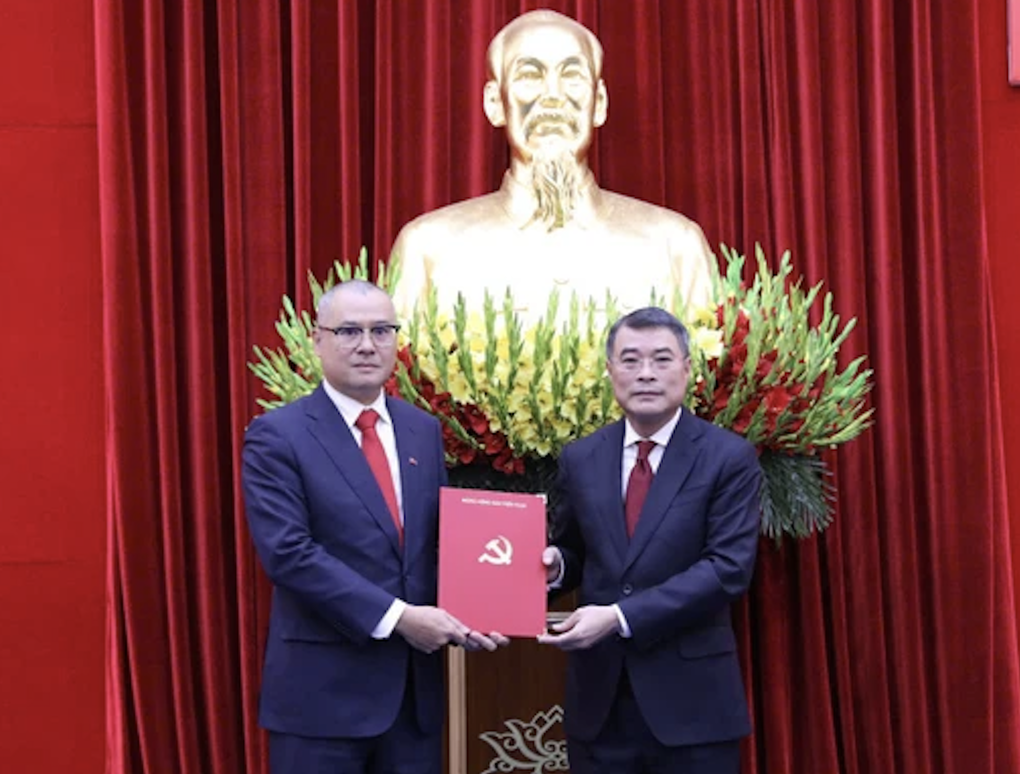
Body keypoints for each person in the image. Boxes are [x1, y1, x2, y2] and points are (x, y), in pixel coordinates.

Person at [242, 279, 507, 774]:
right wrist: (400, 618)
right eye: (349, 331)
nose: (367, 345)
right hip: (322, 700)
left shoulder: (422, 430)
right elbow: (289, 554)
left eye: (381, 331)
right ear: (317, 341)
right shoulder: (278, 436)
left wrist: (487, 599)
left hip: (413, 699)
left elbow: (438, 543)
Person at [537, 306, 761, 774]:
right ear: (610, 371)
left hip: (693, 707)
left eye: (661, 359)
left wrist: (619, 617)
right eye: (630, 360)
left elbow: (727, 570)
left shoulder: (728, 457)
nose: (645, 374)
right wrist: (556, 566)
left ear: (687, 369)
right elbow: (576, 549)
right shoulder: (581, 457)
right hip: (600, 706)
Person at [390, 9, 716, 324]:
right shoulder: (428, 250)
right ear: (495, 103)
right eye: (529, 76)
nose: (553, 96)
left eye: (572, 77)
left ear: (599, 103)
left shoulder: (676, 247)